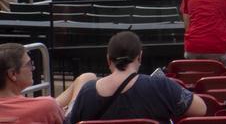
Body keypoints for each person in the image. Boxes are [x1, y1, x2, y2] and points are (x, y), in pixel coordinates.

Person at [65, 31, 206, 124]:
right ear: (140, 57)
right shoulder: (160, 86)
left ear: (108, 59)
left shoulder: (87, 92)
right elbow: (201, 109)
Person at [0, 42, 97, 123]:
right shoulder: (46, 106)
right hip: (51, 112)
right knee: (88, 79)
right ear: (13, 74)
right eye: (28, 64)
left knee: (86, 78)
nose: (33, 68)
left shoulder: (44, 106)